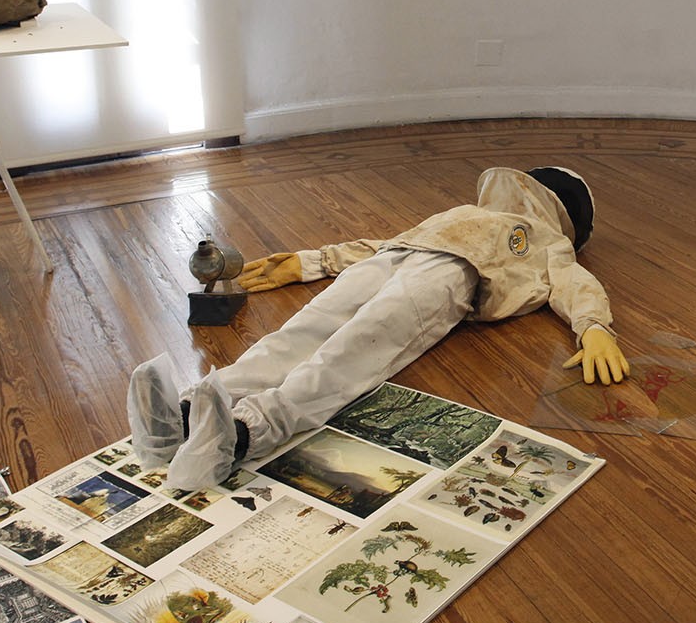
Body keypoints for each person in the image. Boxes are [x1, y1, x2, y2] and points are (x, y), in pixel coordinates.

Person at [130, 166, 628, 490]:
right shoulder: (468, 212)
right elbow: (387, 242)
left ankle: (239, 437)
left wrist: (594, 327)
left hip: (452, 278)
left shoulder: (546, 241)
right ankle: (188, 412)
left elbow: (573, 281)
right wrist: (310, 262)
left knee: (349, 351)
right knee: (300, 333)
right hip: (397, 258)